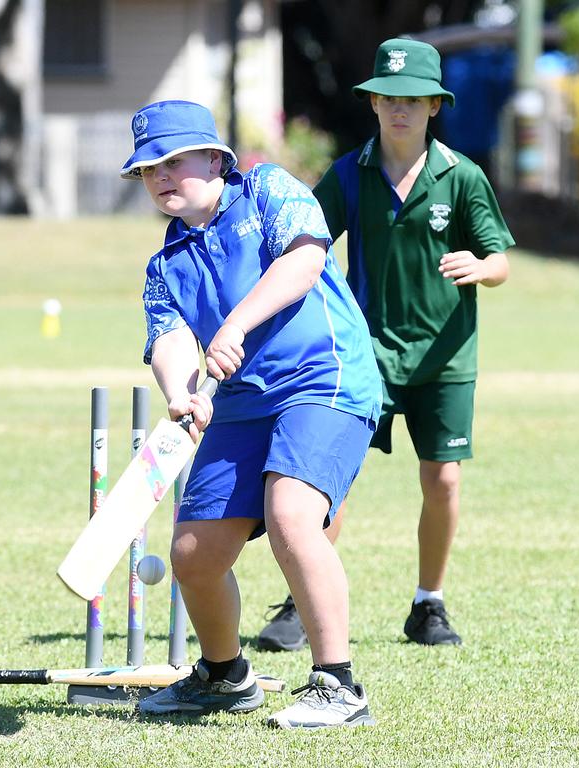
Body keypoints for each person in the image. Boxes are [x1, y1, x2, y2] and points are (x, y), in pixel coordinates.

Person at [120, 100, 383, 728]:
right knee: (193, 553)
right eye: (147, 170)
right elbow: (170, 340)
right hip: (240, 405)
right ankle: (223, 676)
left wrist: (236, 324)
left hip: (323, 379)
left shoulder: (266, 190)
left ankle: (337, 685)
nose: (159, 178)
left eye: (172, 162)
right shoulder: (165, 265)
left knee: (292, 514)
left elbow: (305, 258)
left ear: (215, 158)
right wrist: (182, 393)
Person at [257, 38, 514, 651]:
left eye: (413, 100)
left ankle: (429, 604)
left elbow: (501, 258)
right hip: (362, 353)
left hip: (446, 357)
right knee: (331, 478)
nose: (399, 109)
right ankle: (301, 601)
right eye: (388, 98)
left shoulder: (463, 176)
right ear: (373, 105)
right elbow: (305, 246)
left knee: (443, 480)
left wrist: (481, 269)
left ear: (433, 106)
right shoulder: (349, 175)